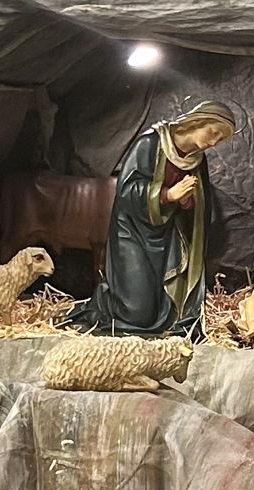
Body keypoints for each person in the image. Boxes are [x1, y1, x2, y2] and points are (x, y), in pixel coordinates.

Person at [75, 102, 239, 339]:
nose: (214, 142)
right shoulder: (150, 144)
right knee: (137, 313)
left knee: (170, 309)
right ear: (197, 122)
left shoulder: (196, 160)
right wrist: (167, 195)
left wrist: (185, 202)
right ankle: (104, 301)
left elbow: (197, 209)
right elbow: (126, 192)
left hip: (170, 238)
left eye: (220, 139)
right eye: (213, 132)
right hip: (133, 233)